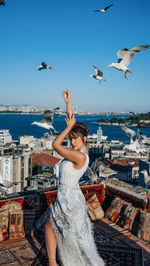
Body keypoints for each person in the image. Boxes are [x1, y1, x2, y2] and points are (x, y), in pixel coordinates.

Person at [45, 88, 104, 266]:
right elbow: (73, 120)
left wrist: (68, 128)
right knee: (55, 228)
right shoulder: (80, 150)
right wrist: (68, 102)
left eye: (76, 139)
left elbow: (55, 144)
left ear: (84, 139)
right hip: (67, 196)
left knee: (57, 229)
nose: (72, 142)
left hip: (70, 200)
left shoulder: (80, 156)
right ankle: (53, 262)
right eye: (71, 138)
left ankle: (54, 262)